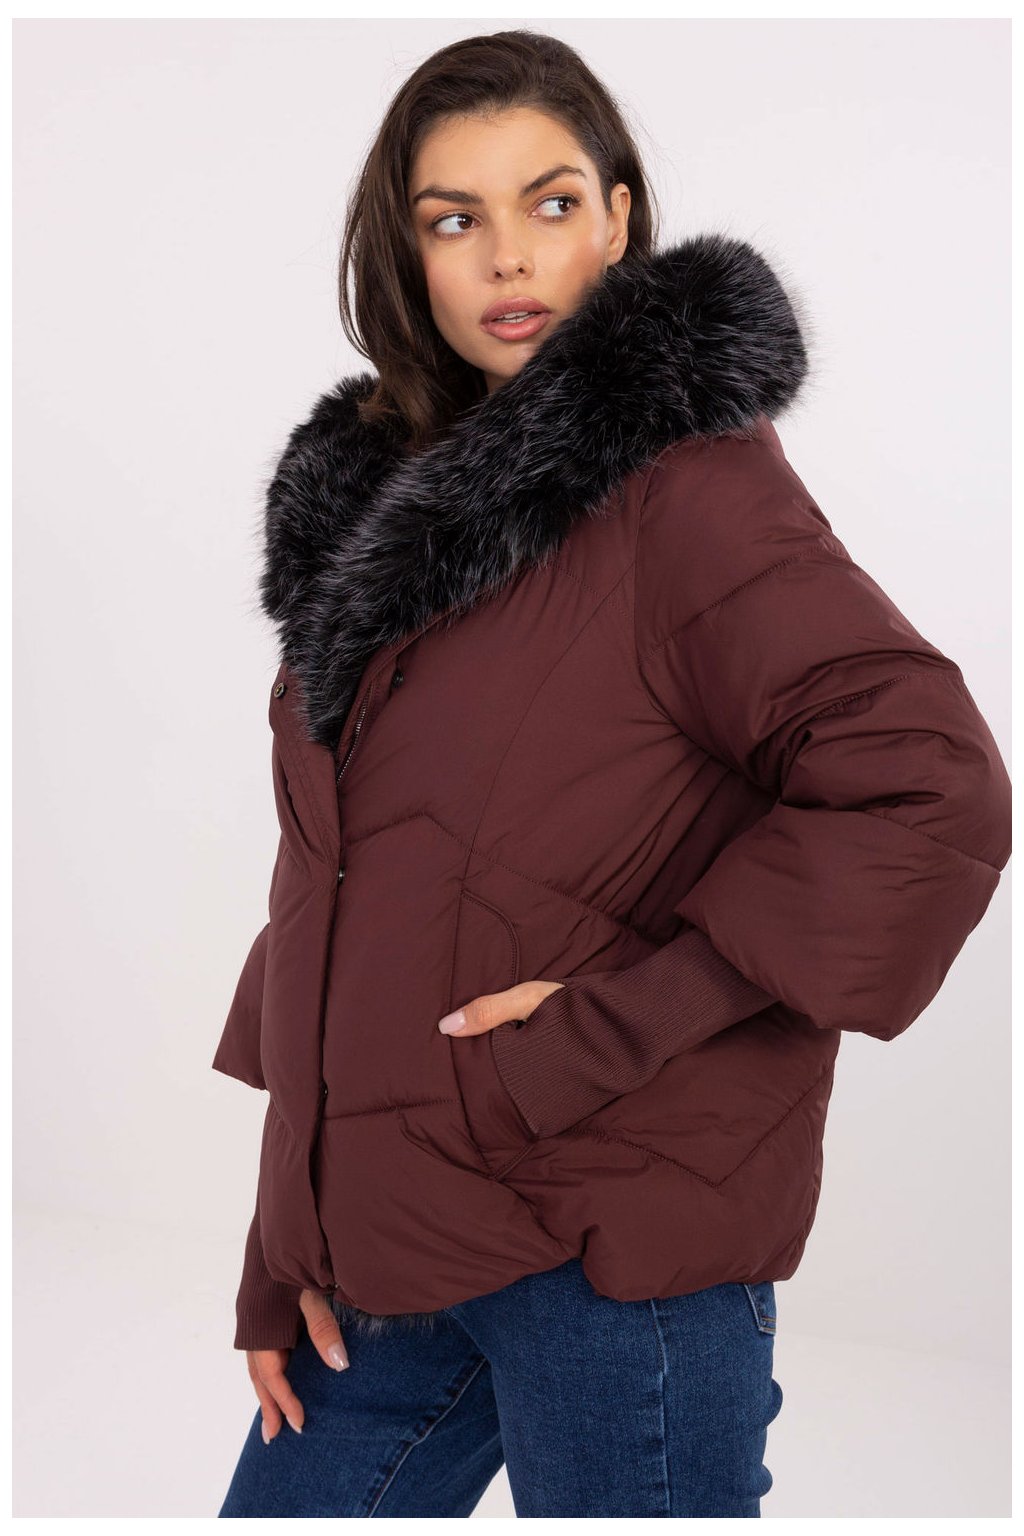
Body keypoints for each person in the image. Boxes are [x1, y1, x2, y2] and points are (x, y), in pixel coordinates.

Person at [213, 29, 1012, 1519]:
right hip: (392, 1246)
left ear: (620, 216)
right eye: (455, 218)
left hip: (616, 1257)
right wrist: (283, 1235)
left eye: (553, 201)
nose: (509, 256)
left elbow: (928, 785)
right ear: (406, 253)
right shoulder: (380, 522)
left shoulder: (688, 488)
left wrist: (625, 1019)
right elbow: (334, 887)